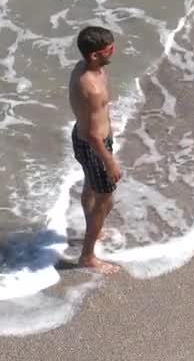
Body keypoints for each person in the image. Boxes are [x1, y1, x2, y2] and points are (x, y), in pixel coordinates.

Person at [68, 25, 123, 273]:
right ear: (95, 55)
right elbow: (92, 134)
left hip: (89, 140)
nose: (114, 51)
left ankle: (94, 230)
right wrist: (109, 161)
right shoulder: (90, 86)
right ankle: (88, 256)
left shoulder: (87, 69)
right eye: (110, 49)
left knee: (91, 187)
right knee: (105, 200)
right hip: (94, 145)